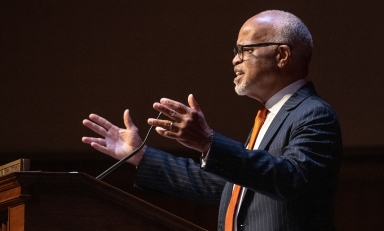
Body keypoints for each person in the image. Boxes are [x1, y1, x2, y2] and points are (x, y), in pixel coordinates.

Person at [82, 10, 342, 231]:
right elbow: (232, 187)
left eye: (245, 50)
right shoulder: (269, 117)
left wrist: (208, 141)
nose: (235, 59)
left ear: (282, 55)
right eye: (235, 50)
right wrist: (140, 156)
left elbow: (290, 180)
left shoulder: (313, 114)